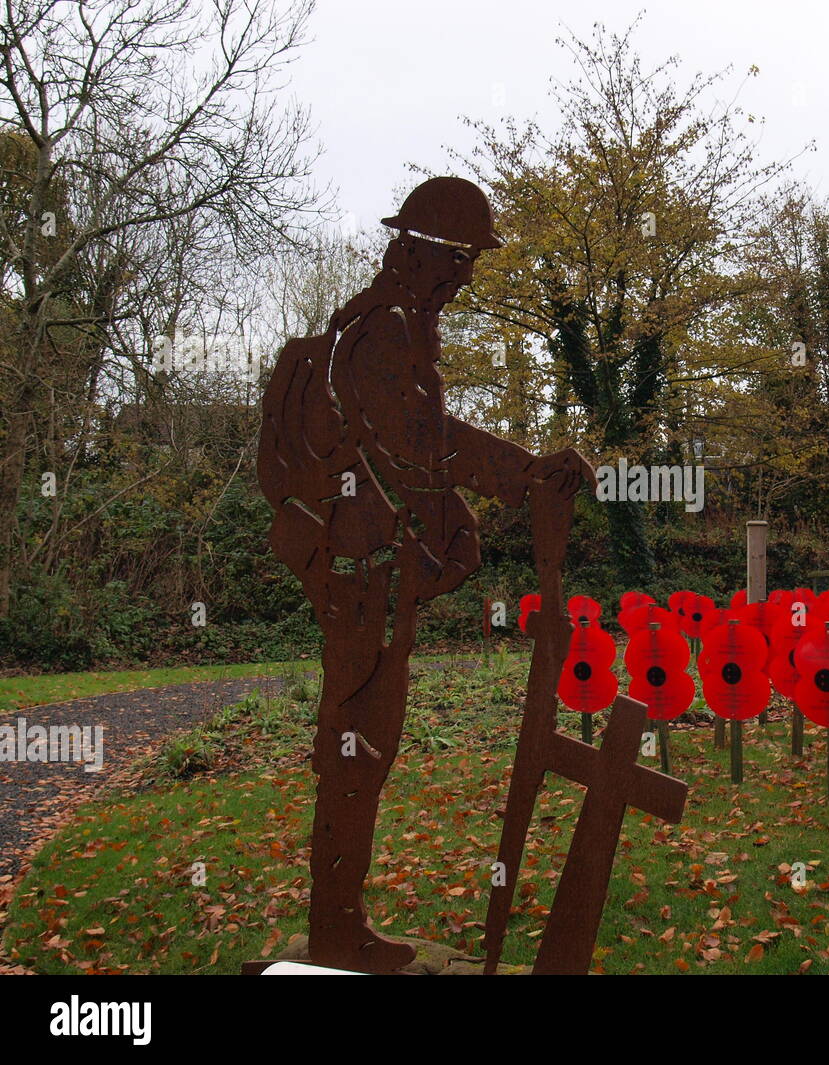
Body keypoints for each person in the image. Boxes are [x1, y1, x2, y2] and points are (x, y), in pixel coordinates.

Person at [257, 176, 590, 972]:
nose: (468, 276)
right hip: (357, 581)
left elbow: (421, 447)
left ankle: (342, 921)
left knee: (364, 749)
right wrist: (523, 472)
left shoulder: (400, 329)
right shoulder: (381, 333)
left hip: (377, 578)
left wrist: (495, 494)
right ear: (422, 254)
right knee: (356, 748)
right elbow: (421, 442)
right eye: (461, 259)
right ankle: (336, 928)